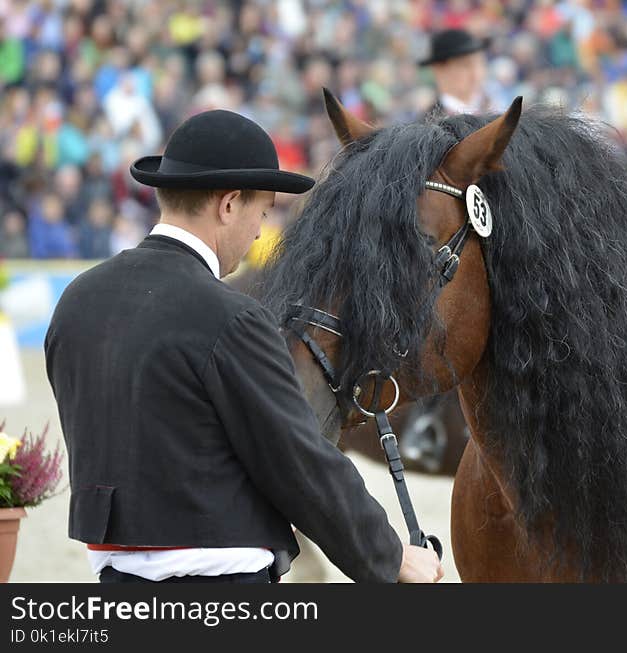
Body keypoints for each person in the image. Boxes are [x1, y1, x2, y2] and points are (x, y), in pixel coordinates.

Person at [44, 109, 443, 584]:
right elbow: (299, 460)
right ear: (229, 204)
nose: (260, 230)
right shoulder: (230, 316)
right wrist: (392, 556)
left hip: (114, 579)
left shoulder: (77, 301)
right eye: (264, 210)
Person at [420, 28, 490, 119]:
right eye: (465, 65)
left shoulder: (497, 111)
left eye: (480, 63)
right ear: (439, 70)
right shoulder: (429, 125)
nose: (476, 74)